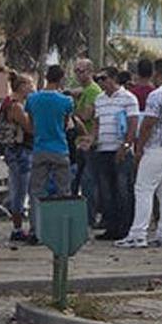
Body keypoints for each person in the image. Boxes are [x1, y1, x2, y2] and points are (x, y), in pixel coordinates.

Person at [116, 63, 162, 249]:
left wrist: (139, 148)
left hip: (156, 147)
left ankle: (137, 234)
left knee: (143, 189)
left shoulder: (158, 94)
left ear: (156, 73)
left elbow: (148, 123)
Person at [25, 65, 75, 246]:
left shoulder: (32, 99)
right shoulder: (66, 101)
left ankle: (35, 230)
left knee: (36, 192)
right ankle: (64, 229)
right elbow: (66, 123)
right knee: (64, 191)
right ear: (61, 78)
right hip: (60, 148)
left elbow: (30, 125)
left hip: (39, 147)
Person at [90, 67, 139, 242]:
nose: (100, 82)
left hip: (120, 149)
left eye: (103, 78)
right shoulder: (99, 99)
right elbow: (97, 122)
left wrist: (126, 145)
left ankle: (125, 226)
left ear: (113, 79)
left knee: (123, 189)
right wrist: (93, 139)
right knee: (106, 191)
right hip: (104, 148)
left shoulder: (128, 98)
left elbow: (133, 123)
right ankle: (111, 226)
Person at [0, 73, 34, 241]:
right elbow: (28, 128)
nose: (32, 89)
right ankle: (17, 226)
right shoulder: (16, 106)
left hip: (11, 149)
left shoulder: (6, 102)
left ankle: (16, 220)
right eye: (30, 85)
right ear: (22, 86)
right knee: (20, 188)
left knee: (17, 185)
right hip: (19, 149)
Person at [70, 59, 102, 225]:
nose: (78, 74)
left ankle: (89, 217)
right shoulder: (84, 91)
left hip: (88, 141)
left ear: (90, 72)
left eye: (81, 71)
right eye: (76, 71)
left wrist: (71, 110)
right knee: (75, 180)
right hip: (79, 142)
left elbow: (86, 115)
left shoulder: (93, 91)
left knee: (88, 182)